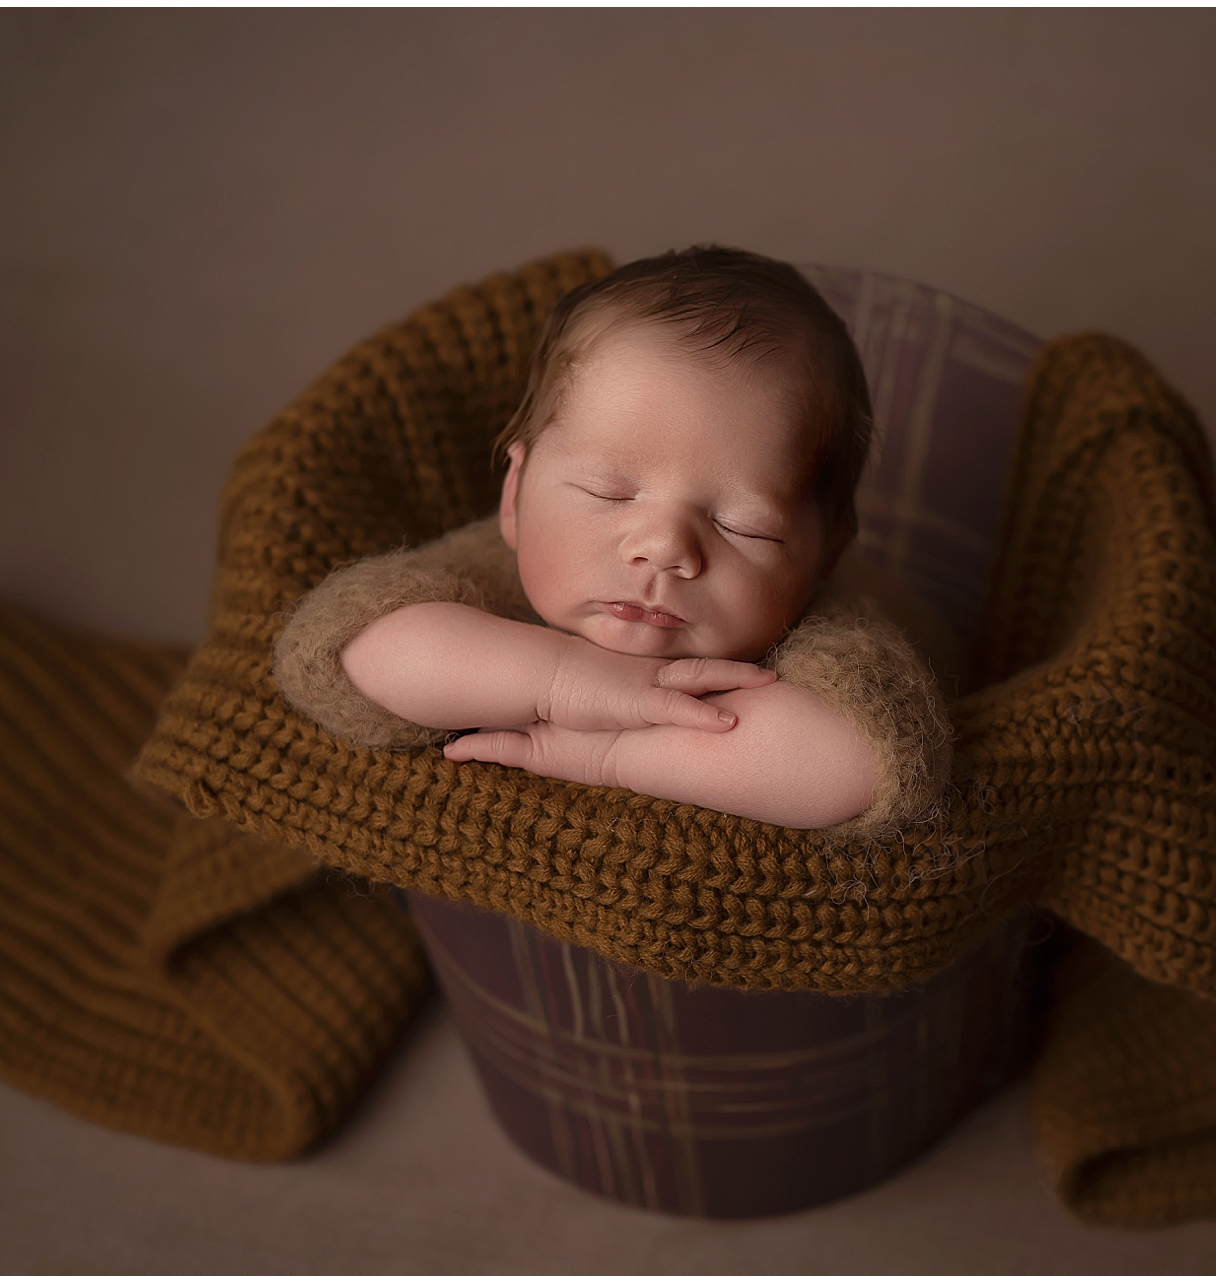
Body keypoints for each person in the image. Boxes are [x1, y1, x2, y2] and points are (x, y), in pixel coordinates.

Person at [272, 246, 953, 837]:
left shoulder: (829, 625)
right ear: (516, 496)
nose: (662, 549)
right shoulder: (495, 567)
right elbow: (347, 649)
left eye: (741, 525)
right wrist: (561, 683)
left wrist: (610, 756)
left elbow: (859, 765)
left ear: (823, 558)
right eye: (608, 492)